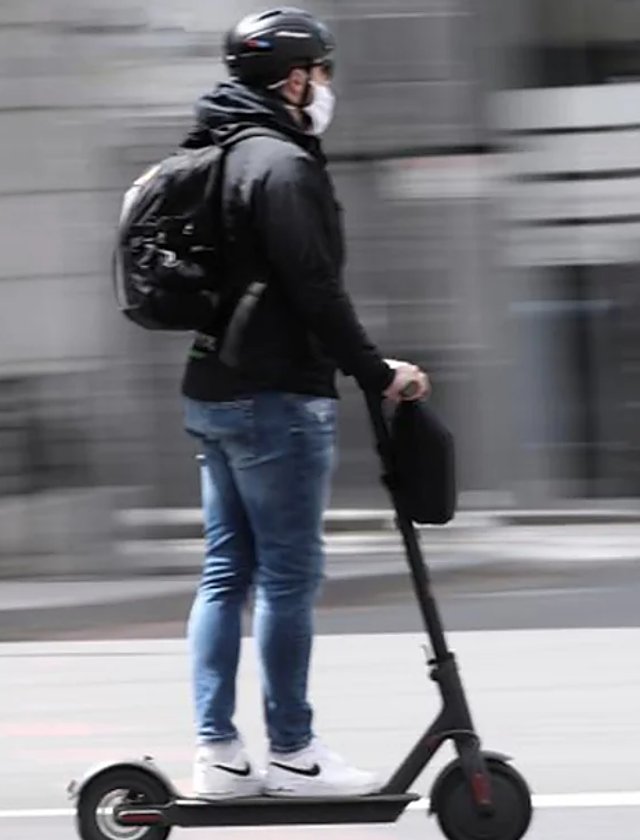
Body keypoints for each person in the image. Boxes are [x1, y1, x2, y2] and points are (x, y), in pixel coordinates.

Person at [177, 8, 431, 801]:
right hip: (276, 397)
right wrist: (372, 369)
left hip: (214, 390)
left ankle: (218, 754)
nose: (326, 86)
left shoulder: (217, 153)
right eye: (320, 72)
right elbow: (314, 288)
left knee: (225, 574)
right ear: (293, 80)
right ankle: (292, 752)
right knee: (288, 578)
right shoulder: (282, 166)